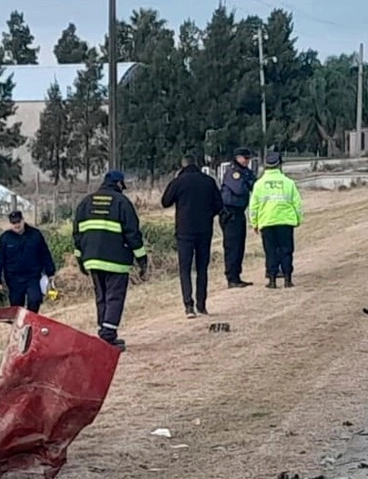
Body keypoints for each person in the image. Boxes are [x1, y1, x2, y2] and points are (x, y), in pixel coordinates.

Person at [73, 170, 148, 351]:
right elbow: (133, 234)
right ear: (120, 184)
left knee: (102, 297)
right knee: (114, 297)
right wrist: (142, 259)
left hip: (91, 259)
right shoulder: (122, 203)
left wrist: (80, 258)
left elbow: (77, 234)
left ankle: (104, 332)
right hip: (116, 260)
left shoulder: (85, 203)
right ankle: (107, 337)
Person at [161, 153, 223, 318]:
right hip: (204, 229)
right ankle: (202, 305)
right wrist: (208, 214)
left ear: (182, 166)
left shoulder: (179, 182)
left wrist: (174, 181)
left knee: (185, 268)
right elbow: (219, 205)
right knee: (202, 268)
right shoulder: (208, 181)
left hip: (184, 230)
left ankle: (189, 306)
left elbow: (165, 201)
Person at [248, 150, 303, 289]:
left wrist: (254, 222)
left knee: (270, 251)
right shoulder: (288, 183)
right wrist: (298, 219)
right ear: (280, 165)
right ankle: (288, 279)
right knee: (286, 250)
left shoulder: (259, 184)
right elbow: (297, 203)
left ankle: (272, 280)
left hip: (267, 222)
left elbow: (253, 206)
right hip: (285, 221)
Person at [0, 210, 56, 312]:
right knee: (16, 307)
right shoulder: (5, 238)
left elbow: (45, 254)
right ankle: (19, 326)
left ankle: (30, 322)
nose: (16, 225)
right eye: (14, 223)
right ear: (10, 223)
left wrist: (50, 272)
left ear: (23, 221)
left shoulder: (35, 235)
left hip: (33, 277)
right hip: (13, 279)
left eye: (18, 222)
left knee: (35, 300)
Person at [219, 147, 256, 288]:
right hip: (230, 213)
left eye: (249, 158)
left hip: (239, 212)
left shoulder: (245, 172)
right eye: (245, 158)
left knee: (240, 246)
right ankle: (231, 278)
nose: (247, 161)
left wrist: (248, 181)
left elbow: (256, 185)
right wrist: (248, 182)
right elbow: (239, 189)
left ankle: (236, 276)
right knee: (232, 246)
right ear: (238, 157)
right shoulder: (233, 172)